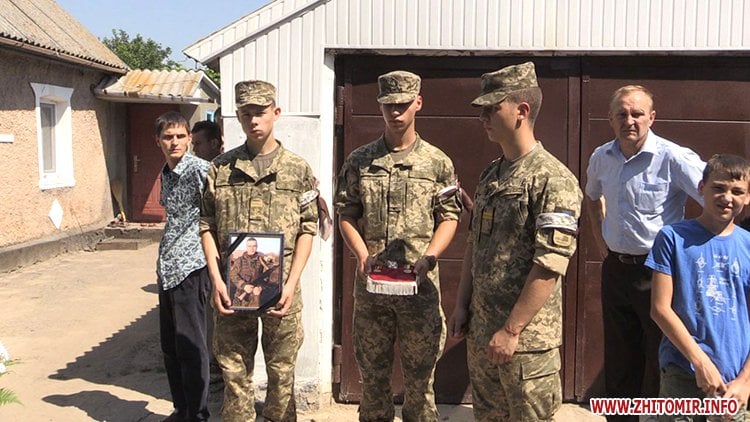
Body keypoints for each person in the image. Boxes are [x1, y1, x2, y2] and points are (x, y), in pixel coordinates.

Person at [448, 61, 582, 421]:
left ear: (522, 111)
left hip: (525, 345)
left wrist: (511, 330)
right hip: (483, 335)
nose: (483, 117)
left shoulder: (552, 179)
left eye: (492, 108)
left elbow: (550, 264)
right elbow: (475, 244)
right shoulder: (491, 174)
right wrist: (462, 305)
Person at [334, 70, 462, 421]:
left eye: (403, 105)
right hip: (373, 292)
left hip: (419, 289)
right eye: (389, 105)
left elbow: (449, 216)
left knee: (421, 384)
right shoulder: (360, 161)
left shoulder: (437, 162)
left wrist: (430, 257)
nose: (396, 112)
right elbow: (347, 214)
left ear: (418, 103)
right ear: (380, 106)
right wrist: (362, 254)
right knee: (373, 381)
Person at [200, 80, 319, 422]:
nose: (254, 120)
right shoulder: (221, 169)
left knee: (282, 374)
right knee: (235, 374)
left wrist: (291, 283)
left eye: (261, 112)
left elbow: (308, 227)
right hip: (232, 288)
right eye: (246, 113)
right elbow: (206, 225)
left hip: (281, 289)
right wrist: (216, 279)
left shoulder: (297, 169)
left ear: (276, 113)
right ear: (238, 116)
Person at [585, 85, 706, 418]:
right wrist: (601, 241)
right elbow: (591, 197)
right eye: (622, 114)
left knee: (659, 357)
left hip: (658, 272)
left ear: (651, 117)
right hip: (616, 269)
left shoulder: (673, 157)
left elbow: (715, 199)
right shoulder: (601, 157)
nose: (630, 121)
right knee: (619, 356)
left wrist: (691, 254)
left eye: (637, 113)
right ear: (610, 119)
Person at [648, 154, 750, 422]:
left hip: (733, 382)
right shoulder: (672, 238)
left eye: (737, 191)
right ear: (702, 188)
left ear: (747, 197)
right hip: (683, 373)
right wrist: (700, 362)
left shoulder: (747, 245)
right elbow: (660, 309)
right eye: (718, 188)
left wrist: (745, 381)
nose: (727, 197)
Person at [154, 111, 211, 422]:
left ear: (189, 138)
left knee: (191, 344)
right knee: (171, 345)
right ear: (158, 141)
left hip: (192, 266)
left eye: (179, 136)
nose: (174, 142)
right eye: (167, 137)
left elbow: (221, 205)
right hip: (168, 267)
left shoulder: (201, 170)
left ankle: (197, 414)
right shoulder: (166, 172)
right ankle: (182, 409)